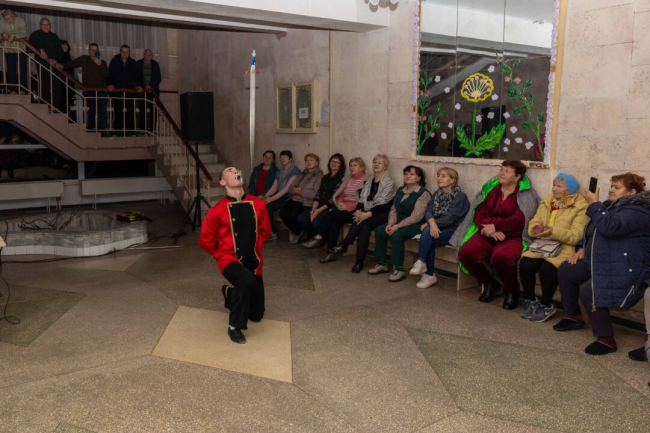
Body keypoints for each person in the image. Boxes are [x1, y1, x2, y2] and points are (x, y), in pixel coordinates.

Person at [554, 173, 650, 355]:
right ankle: (573, 316)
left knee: (590, 289)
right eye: (611, 186)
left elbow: (610, 227)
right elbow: (591, 231)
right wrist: (582, 248)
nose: (611, 190)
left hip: (625, 266)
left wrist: (594, 204)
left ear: (631, 192)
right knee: (567, 270)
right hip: (600, 259)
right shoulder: (611, 206)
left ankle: (606, 339)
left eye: (617, 187)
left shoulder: (639, 211)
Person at [451, 160, 540, 309]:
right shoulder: (493, 190)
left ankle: (512, 291)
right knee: (466, 253)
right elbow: (479, 211)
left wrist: (496, 226)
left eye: (507, 171)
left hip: (512, 236)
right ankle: (489, 283)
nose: (501, 173)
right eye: (501, 169)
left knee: (502, 257)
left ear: (517, 177)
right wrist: (487, 229)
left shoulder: (526, 194)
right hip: (488, 232)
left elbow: (520, 219)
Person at [198, 166, 271, 344]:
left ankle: (229, 292)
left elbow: (265, 231)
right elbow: (204, 240)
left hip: (253, 259)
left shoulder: (258, 203)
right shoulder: (217, 210)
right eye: (230, 171)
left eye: (237, 170)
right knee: (245, 280)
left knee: (256, 315)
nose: (236, 171)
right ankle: (234, 327)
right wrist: (221, 253)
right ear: (222, 182)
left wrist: (253, 247)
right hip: (229, 259)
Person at [518, 174, 588, 322]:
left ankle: (546, 304)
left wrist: (553, 231)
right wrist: (535, 229)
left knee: (547, 269)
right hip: (543, 244)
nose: (554, 189)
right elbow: (534, 221)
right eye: (554, 185)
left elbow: (576, 236)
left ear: (570, 190)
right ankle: (530, 300)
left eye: (559, 186)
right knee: (525, 263)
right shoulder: (548, 201)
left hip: (564, 247)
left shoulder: (581, 207)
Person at [326, 154, 396, 273]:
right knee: (364, 228)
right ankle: (359, 261)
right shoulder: (369, 181)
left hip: (382, 214)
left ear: (385, 166)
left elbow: (384, 204)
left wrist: (367, 214)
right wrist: (359, 211)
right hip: (367, 213)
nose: (376, 164)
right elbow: (362, 199)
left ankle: (345, 243)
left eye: (379, 163)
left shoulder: (389, 182)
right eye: (374, 162)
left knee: (362, 222)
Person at [368, 165, 431, 282]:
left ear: (419, 178)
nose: (408, 176)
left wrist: (398, 226)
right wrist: (391, 223)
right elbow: (393, 209)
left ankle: (399, 269)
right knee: (380, 230)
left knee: (396, 235)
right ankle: (382, 263)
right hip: (398, 221)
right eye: (406, 174)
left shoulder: (423, 193)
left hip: (416, 224)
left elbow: (416, 216)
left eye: (412, 174)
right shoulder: (400, 190)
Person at [410, 167, 469, 288]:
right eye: (438, 175)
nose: (439, 178)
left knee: (428, 239)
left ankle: (427, 270)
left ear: (452, 180)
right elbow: (429, 210)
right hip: (438, 227)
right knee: (429, 235)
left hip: (454, 230)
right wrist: (432, 223)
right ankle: (424, 268)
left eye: (443, 176)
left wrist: (431, 223)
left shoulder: (460, 196)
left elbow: (451, 218)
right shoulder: (437, 194)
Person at [303, 157, 365, 253]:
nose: (352, 168)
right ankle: (330, 252)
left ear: (362, 168)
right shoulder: (349, 178)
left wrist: (347, 207)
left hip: (355, 211)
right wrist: (340, 203)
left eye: (355, 165)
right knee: (334, 223)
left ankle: (319, 237)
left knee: (330, 215)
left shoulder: (365, 181)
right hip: (343, 208)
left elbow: (362, 201)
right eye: (351, 166)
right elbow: (341, 194)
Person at [58, 43, 109, 132]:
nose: (94, 52)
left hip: (101, 90)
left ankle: (101, 130)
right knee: (92, 109)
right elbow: (73, 63)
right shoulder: (84, 59)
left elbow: (106, 75)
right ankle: (90, 128)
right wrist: (63, 65)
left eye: (96, 50)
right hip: (89, 89)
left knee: (102, 110)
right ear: (89, 51)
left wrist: (100, 64)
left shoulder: (103, 62)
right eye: (92, 50)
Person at [298, 153, 345, 244]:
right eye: (332, 161)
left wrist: (318, 211)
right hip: (319, 205)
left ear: (341, 165)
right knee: (301, 218)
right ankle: (313, 237)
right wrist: (314, 208)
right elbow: (319, 194)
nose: (334, 164)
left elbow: (333, 199)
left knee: (315, 221)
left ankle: (321, 240)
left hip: (329, 207)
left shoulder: (341, 179)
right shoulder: (325, 177)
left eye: (337, 162)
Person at [279, 153, 323, 244]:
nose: (309, 162)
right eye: (307, 160)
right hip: (295, 199)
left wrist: (300, 191)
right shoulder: (302, 173)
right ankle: (297, 231)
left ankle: (297, 232)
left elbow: (314, 193)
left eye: (311, 160)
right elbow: (290, 188)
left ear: (316, 163)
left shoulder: (319, 175)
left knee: (294, 215)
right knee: (282, 213)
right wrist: (294, 190)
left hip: (306, 202)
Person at [262, 150, 301, 240]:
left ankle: (272, 232)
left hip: (289, 197)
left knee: (269, 205)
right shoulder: (279, 172)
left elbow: (287, 189)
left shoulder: (295, 170)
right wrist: (265, 197)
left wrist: (272, 199)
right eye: (281, 157)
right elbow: (274, 188)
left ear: (290, 159)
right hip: (280, 196)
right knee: (266, 204)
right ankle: (270, 231)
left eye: (285, 157)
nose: (283, 159)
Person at [28, 18, 63, 109]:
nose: (46, 26)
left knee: (56, 88)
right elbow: (28, 47)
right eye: (43, 24)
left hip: (54, 66)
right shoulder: (35, 34)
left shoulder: (54, 36)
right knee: (44, 87)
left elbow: (60, 52)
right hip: (41, 65)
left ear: (50, 26)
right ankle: (45, 108)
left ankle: (56, 109)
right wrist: (39, 49)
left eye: (47, 24)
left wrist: (55, 60)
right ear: (40, 26)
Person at [108, 45, 142, 135]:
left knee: (131, 112)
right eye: (123, 52)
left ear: (129, 52)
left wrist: (139, 85)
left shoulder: (133, 63)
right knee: (118, 112)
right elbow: (109, 74)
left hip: (130, 91)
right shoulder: (114, 61)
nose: (125, 54)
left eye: (127, 52)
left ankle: (131, 131)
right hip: (117, 91)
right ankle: (118, 131)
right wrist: (110, 84)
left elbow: (138, 76)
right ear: (120, 52)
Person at [0, 10, 28, 94]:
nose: (8, 20)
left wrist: (14, 35)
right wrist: (2, 34)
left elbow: (24, 33)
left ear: (13, 15)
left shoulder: (21, 21)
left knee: (23, 70)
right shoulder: (1, 22)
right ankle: (13, 90)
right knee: (11, 70)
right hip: (8, 50)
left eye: (10, 18)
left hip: (21, 50)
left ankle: (23, 89)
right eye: (6, 19)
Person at [135, 48, 161, 131]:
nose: (149, 55)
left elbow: (158, 78)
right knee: (142, 110)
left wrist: (150, 86)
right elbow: (136, 77)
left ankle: (152, 129)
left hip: (153, 91)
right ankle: (143, 129)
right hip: (142, 91)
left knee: (154, 111)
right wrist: (143, 86)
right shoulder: (139, 63)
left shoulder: (155, 64)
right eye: (147, 54)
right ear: (144, 55)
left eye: (150, 54)